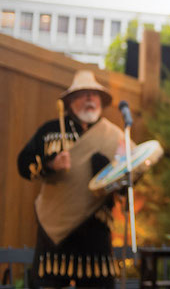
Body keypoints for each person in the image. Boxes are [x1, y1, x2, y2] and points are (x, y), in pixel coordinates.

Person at [17, 70, 124, 289]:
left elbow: (128, 183)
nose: (89, 99)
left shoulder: (115, 136)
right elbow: (23, 164)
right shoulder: (50, 131)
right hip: (56, 229)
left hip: (96, 230)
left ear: (101, 101)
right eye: (83, 94)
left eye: (93, 95)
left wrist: (110, 173)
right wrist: (50, 164)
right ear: (70, 101)